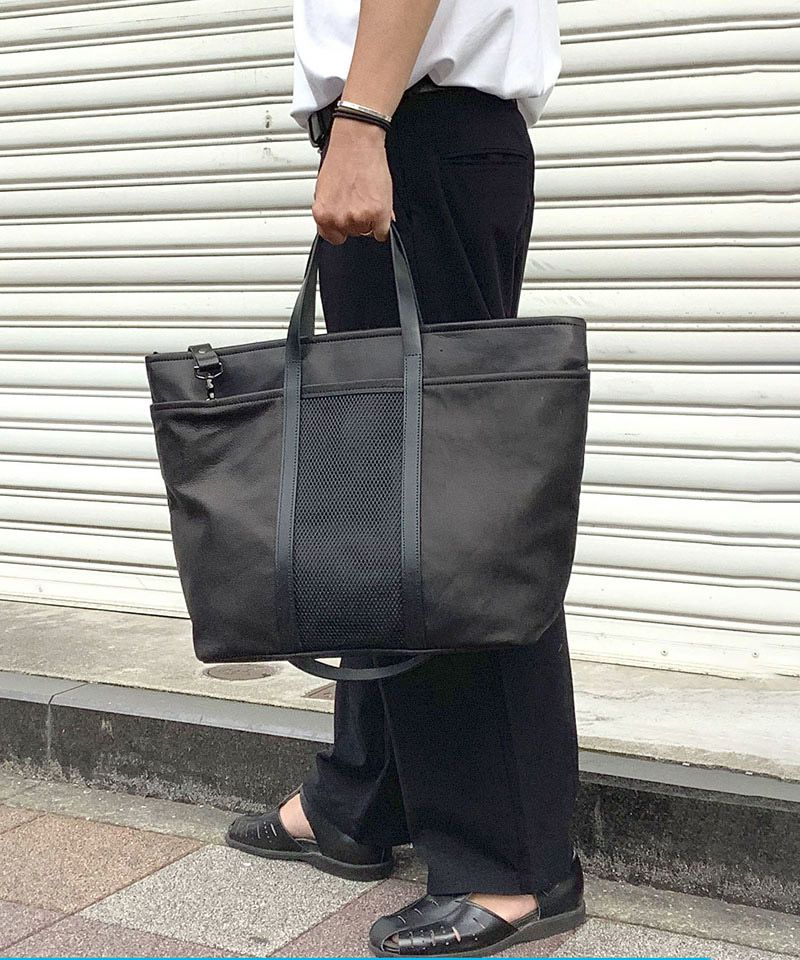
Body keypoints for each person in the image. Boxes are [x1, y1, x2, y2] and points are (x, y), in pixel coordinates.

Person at [226, 0, 585, 955]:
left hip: (411, 127)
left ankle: (513, 863)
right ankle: (363, 793)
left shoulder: (385, 122)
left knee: (452, 503)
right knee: (383, 491)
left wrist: (362, 120)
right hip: (405, 128)